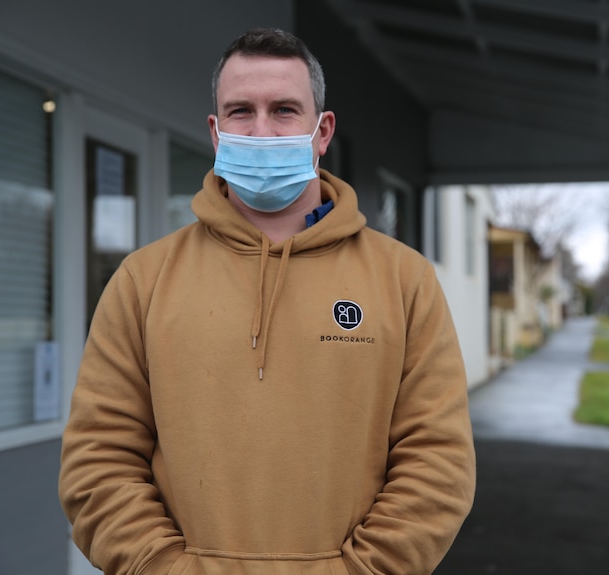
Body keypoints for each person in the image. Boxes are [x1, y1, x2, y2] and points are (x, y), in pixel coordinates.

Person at [59, 27, 476, 575]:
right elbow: (98, 460)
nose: (261, 130)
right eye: (240, 111)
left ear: (321, 131)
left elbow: (438, 463)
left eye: (284, 110)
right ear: (215, 131)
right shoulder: (144, 280)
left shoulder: (405, 280)